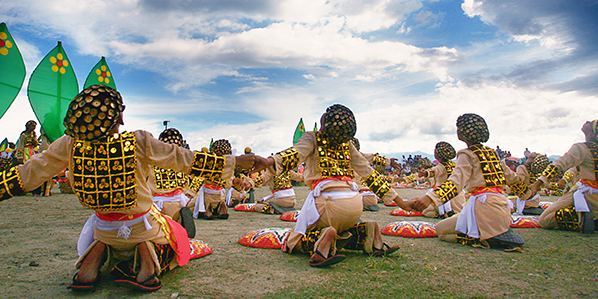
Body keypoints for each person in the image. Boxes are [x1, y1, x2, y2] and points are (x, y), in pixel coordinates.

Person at [0, 85, 269, 293]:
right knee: (176, 232)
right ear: (114, 118)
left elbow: (22, 178)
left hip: (103, 226)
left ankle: (89, 265)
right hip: (141, 225)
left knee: (101, 223)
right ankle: (147, 262)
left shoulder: (68, 145)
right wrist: (236, 161)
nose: (121, 120)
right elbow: (188, 160)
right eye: (119, 114)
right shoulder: (139, 142)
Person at [256, 104, 419, 267]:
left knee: (294, 241)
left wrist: (269, 161)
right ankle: (371, 233)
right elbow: (370, 174)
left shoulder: (312, 137)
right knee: (344, 230)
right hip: (355, 205)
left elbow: (294, 154)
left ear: (324, 120)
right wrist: (400, 202)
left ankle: (324, 239)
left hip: (328, 204)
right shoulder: (347, 145)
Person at [411, 114, 528, 250]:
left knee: (441, 230)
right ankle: (490, 233)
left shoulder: (466, 154)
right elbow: (512, 179)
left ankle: (480, 237)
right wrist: (528, 192)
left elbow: (456, 183)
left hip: (482, 207)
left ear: (461, 132)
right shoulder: (493, 153)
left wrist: (429, 198)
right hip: (502, 207)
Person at [150, 127, 196, 239]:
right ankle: (179, 222)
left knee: (155, 221)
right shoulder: (182, 165)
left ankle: (161, 228)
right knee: (193, 202)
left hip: (157, 204)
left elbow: (148, 186)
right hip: (178, 200)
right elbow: (185, 186)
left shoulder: (152, 164)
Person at [417, 141, 465, 218]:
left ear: (438, 155)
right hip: (458, 193)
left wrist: (425, 173)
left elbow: (434, 171)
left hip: (445, 194)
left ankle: (443, 214)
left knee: (426, 211)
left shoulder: (441, 166)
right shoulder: (454, 164)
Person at [192, 139, 232, 220]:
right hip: (218, 193)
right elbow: (229, 184)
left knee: (190, 206)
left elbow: (198, 179)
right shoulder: (228, 167)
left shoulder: (207, 163)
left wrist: (189, 194)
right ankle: (219, 208)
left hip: (209, 192)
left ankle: (209, 209)